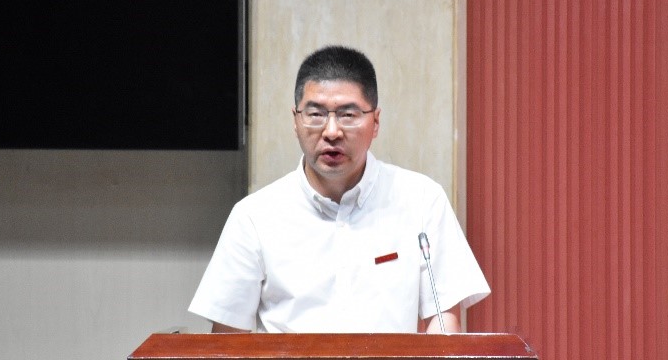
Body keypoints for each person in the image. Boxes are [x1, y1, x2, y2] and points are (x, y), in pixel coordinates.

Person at [189, 45, 490, 333]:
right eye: (315, 114)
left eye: (348, 115)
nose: (332, 132)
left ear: (375, 122)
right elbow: (228, 341)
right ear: (296, 121)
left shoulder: (422, 200)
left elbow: (444, 326)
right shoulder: (254, 217)